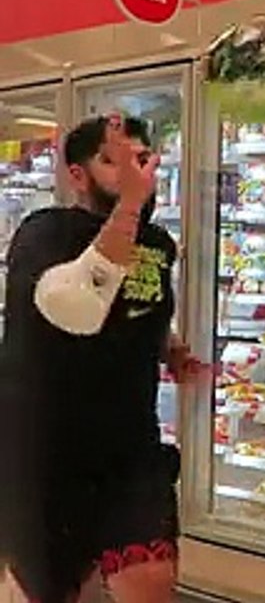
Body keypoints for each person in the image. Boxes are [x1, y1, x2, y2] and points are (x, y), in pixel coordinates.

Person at [0, 115, 200, 603]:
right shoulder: (45, 233)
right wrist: (130, 205)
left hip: (131, 452)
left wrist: (168, 346)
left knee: (151, 581)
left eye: (141, 160)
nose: (134, 173)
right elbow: (77, 309)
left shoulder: (156, 244)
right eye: (113, 162)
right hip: (44, 457)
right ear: (77, 175)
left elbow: (137, 307)